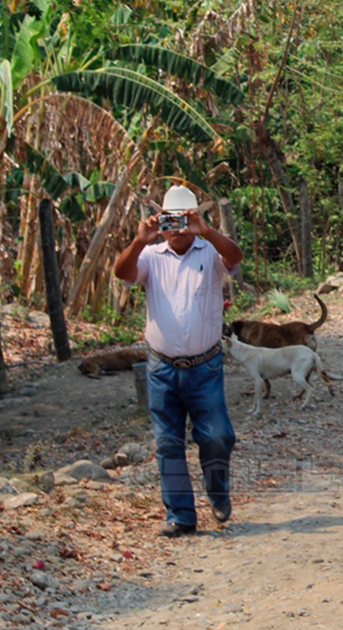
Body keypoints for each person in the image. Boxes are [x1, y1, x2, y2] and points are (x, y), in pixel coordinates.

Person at [113, 185, 243, 538]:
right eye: (171, 220)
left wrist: (207, 231)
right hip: (162, 367)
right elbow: (122, 273)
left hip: (205, 364)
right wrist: (141, 239)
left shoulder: (210, 252)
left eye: (183, 220)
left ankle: (218, 492)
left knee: (217, 435)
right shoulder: (152, 256)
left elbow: (235, 258)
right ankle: (181, 515)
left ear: (194, 218)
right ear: (161, 220)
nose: (177, 228)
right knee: (168, 443)